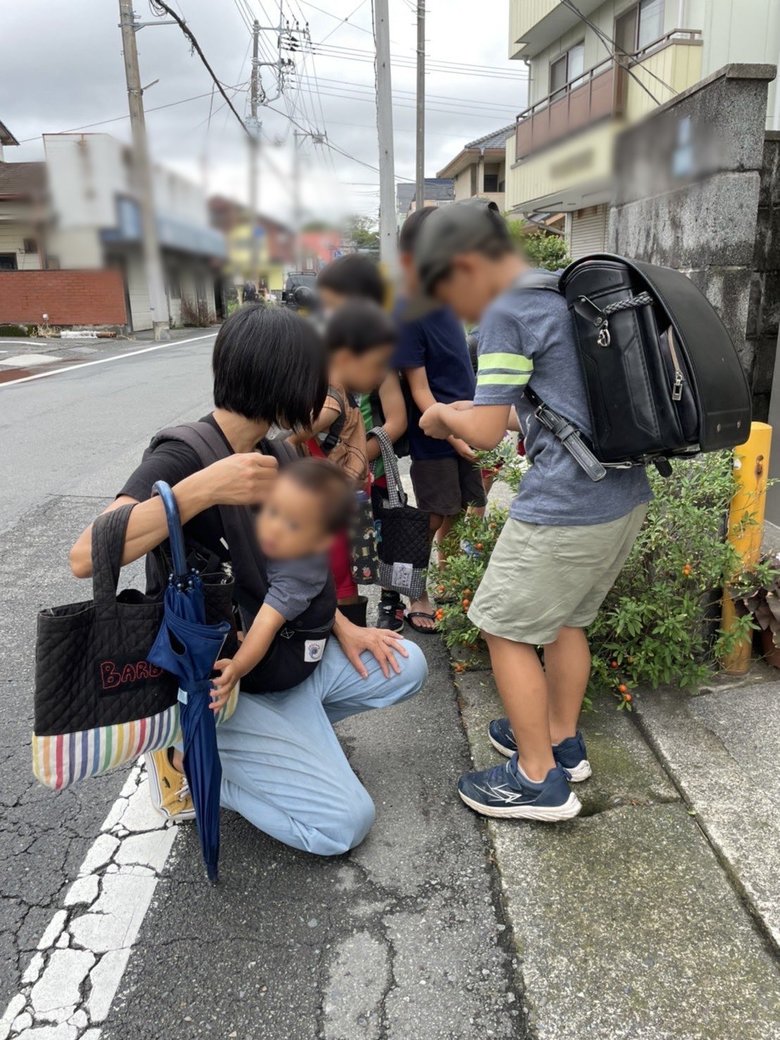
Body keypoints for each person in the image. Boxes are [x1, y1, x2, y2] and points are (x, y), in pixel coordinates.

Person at [69, 304, 426, 856]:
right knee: (343, 825)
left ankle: (280, 739)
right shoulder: (182, 453)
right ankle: (198, 765)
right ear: (282, 380)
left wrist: (345, 628)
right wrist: (200, 491)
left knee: (407, 665)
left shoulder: (278, 452)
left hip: (285, 656)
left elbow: (292, 568)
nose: (324, 391)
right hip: (225, 680)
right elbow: (86, 555)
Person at [417, 200, 650, 823]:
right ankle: (561, 742)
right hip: (621, 495)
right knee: (567, 621)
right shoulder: (562, 293)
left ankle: (537, 778)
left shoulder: (507, 311)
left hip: (566, 504)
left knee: (504, 627)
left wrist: (441, 416)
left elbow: (488, 430)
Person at [394, 207, 487, 634]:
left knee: (465, 508)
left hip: (464, 428)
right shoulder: (409, 310)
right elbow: (420, 392)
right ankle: (415, 591)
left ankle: (450, 581)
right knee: (432, 515)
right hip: (434, 438)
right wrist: (455, 438)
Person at [210, 458, 354, 701]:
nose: (275, 527)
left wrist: (238, 668)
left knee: (226, 655)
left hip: (287, 662)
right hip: (289, 635)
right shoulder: (287, 543)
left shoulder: (300, 571)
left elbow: (267, 623)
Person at [292, 299, 397, 628]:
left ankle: (347, 637)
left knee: (345, 579)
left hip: (343, 502)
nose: (381, 375)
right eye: (377, 364)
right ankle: (347, 639)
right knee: (340, 581)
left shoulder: (336, 392)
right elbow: (288, 437)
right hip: (332, 507)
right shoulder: (333, 400)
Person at [316, 255, 408, 632]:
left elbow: (397, 420)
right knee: (332, 557)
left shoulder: (376, 358)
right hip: (326, 477)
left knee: (377, 546)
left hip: (369, 472)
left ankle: (391, 599)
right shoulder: (320, 357)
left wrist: (358, 459)